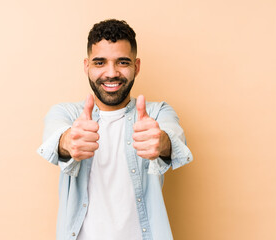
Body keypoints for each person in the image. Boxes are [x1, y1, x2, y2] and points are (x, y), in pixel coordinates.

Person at [37, 19, 193, 240]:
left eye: (122, 62)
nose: (111, 73)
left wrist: (161, 142)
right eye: (100, 63)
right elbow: (58, 140)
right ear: (86, 66)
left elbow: (172, 140)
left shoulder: (158, 113)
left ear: (136, 67)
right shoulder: (66, 114)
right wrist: (69, 142)